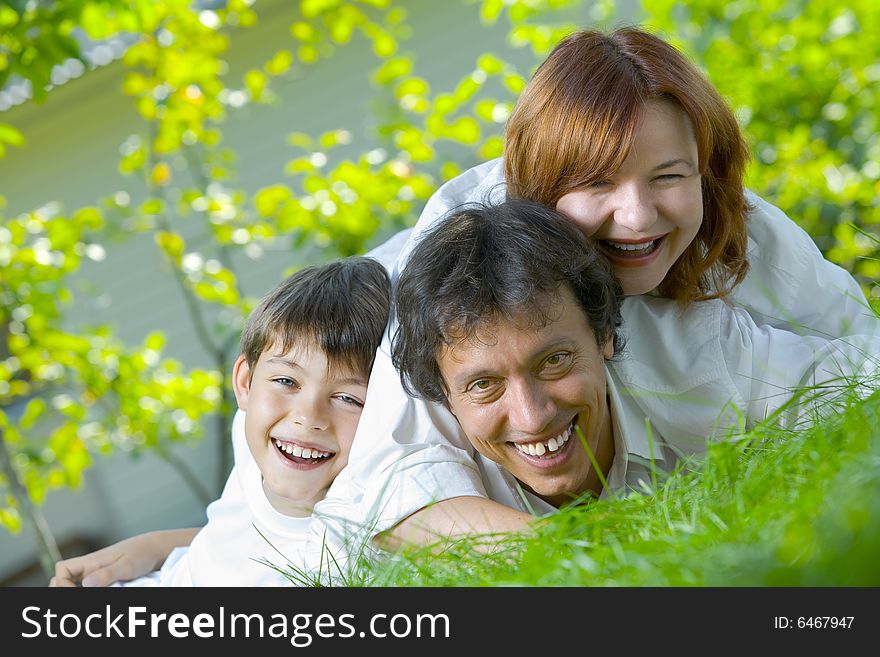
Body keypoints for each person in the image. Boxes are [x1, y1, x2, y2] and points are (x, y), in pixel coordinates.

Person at [308, 25, 879, 550]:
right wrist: (591, 551)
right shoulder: (462, 248)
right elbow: (392, 487)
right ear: (536, 190)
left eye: (670, 175)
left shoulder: (751, 242)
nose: (635, 216)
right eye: (596, 182)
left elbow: (858, 371)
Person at [388, 199, 876, 518]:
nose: (532, 416)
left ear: (604, 334)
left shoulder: (698, 355)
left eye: (555, 360)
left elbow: (864, 381)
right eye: (484, 385)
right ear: (443, 396)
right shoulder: (425, 489)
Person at [51, 255, 391, 586]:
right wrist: (152, 546)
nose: (307, 417)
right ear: (245, 383)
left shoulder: (350, 535)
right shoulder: (253, 444)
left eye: (348, 399)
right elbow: (246, 533)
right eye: (287, 382)